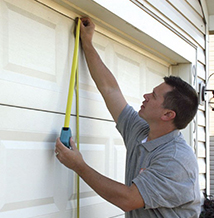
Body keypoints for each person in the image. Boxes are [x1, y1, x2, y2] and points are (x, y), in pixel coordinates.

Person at [55, 17, 201, 217]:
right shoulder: (141, 131)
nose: (146, 96)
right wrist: (87, 44)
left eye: (154, 96)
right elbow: (110, 89)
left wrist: (78, 165)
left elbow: (128, 199)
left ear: (168, 114)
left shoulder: (176, 160)